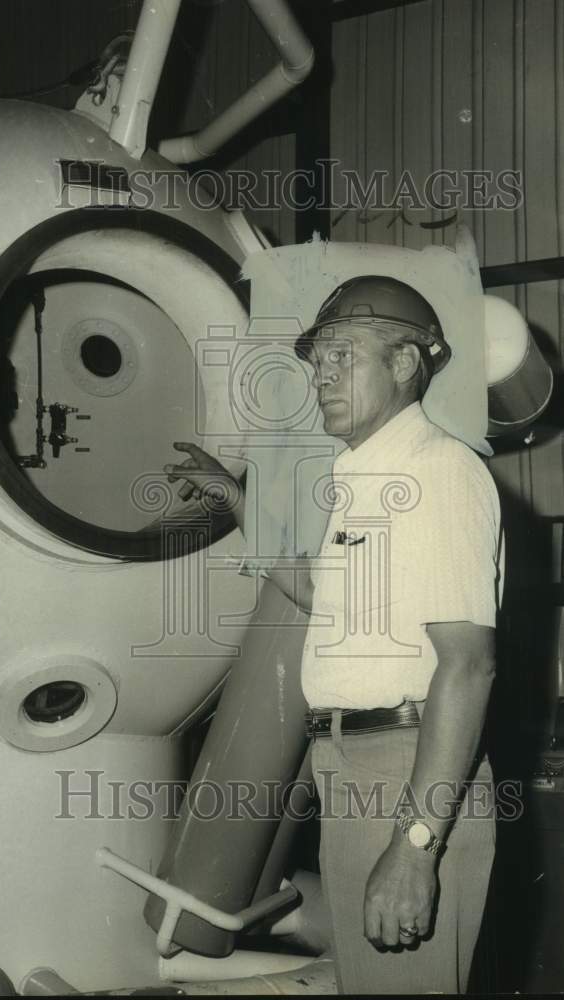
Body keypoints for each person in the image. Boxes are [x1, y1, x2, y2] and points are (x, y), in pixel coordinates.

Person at [164, 275, 503, 994]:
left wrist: (415, 846)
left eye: (341, 356)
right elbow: (326, 595)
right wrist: (236, 498)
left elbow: (468, 667)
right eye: (316, 362)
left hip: (404, 773)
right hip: (353, 769)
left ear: (406, 363)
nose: (321, 377)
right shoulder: (368, 477)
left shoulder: (436, 472)